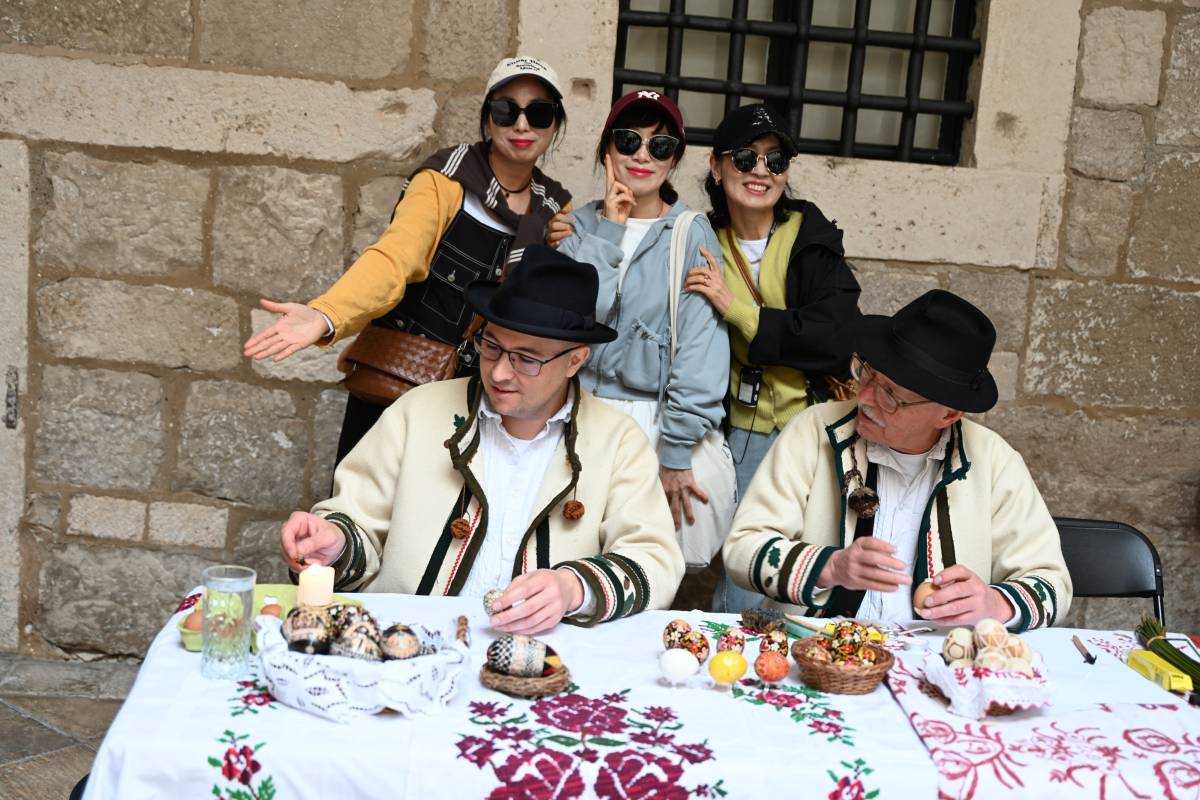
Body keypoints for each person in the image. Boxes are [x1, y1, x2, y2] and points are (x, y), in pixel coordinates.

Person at [278, 246, 685, 632]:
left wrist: (573, 587)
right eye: (491, 346)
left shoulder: (618, 440)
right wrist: (335, 543)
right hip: (412, 644)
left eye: (526, 358)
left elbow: (653, 558)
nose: (500, 372)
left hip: (547, 656)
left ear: (575, 360)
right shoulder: (417, 411)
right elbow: (357, 520)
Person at [244, 56, 573, 464]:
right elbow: (394, 258)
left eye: (539, 113)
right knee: (365, 498)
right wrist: (326, 314)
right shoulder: (444, 181)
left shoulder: (553, 210)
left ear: (555, 125)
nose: (522, 125)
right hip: (398, 388)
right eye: (506, 110)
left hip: (483, 400)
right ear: (488, 119)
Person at [722, 290, 1072, 631]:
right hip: (815, 648)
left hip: (937, 656)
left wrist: (997, 603)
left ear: (948, 414)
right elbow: (742, 548)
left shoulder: (994, 462)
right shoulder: (814, 431)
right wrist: (830, 567)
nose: (866, 398)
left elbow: (1052, 583)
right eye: (868, 374)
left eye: (890, 394)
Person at [685, 103, 862, 614]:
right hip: (736, 430)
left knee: (802, 569)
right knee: (742, 568)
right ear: (716, 166)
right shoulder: (700, 239)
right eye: (745, 158)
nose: (760, 171)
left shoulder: (809, 236)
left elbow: (835, 337)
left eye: (775, 160)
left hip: (809, 424)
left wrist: (735, 308)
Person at [548, 90, 733, 569]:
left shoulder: (690, 233)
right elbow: (575, 321)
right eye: (629, 141)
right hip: (576, 415)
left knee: (645, 567)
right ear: (607, 149)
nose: (642, 156)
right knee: (568, 559)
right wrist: (610, 228)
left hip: (652, 420)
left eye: (660, 145)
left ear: (674, 159)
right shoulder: (578, 226)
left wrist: (676, 452)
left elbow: (701, 349)